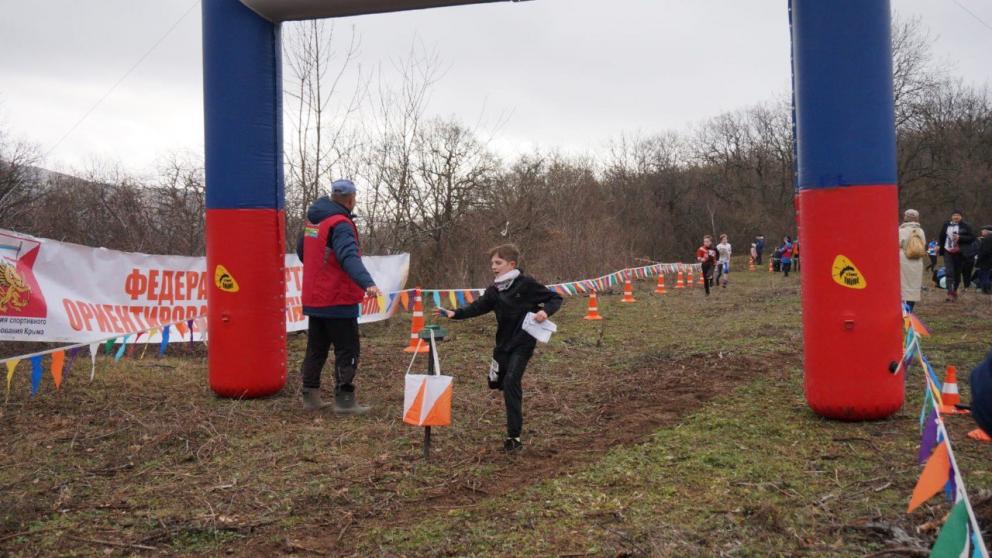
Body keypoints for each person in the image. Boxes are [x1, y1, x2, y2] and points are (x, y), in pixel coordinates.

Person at [434, 244, 562, 453]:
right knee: (496, 383)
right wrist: (454, 313)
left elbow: (555, 298)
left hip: (524, 341)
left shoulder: (526, 284)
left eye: (498, 263)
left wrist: (545, 312)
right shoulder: (494, 290)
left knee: (511, 382)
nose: (493, 267)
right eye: (492, 263)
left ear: (511, 264)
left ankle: (514, 437)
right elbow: (478, 307)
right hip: (503, 344)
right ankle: (501, 382)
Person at [296, 179, 380, 413]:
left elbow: (303, 252)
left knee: (316, 348)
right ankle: (345, 401)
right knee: (347, 349)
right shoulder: (341, 224)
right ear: (351, 199)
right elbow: (349, 256)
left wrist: (321, 271)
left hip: (315, 298)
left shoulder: (314, 221)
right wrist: (367, 283)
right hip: (338, 297)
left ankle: (310, 397)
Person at [938, 209, 976, 301]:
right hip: (947, 250)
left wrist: (960, 237)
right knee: (949, 272)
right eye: (954, 215)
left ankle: (954, 290)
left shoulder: (966, 225)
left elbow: (972, 238)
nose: (956, 217)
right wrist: (939, 246)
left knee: (957, 273)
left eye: (958, 215)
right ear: (951, 216)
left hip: (960, 252)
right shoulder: (946, 224)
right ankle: (950, 293)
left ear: (961, 217)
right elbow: (941, 237)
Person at [898, 209, 926, 312]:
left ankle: (903, 311)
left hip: (903, 259)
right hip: (917, 261)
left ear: (905, 217)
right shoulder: (920, 231)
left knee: (903, 285)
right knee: (913, 286)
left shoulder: (900, 230)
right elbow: (923, 244)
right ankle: (910, 309)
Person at [976, 226, 992, 295]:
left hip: (986, 261)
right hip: (989, 260)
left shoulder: (987, 239)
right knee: (988, 275)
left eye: (983, 230)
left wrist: (979, 257)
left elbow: (985, 251)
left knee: (984, 275)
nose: (981, 231)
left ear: (987, 231)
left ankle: (986, 289)